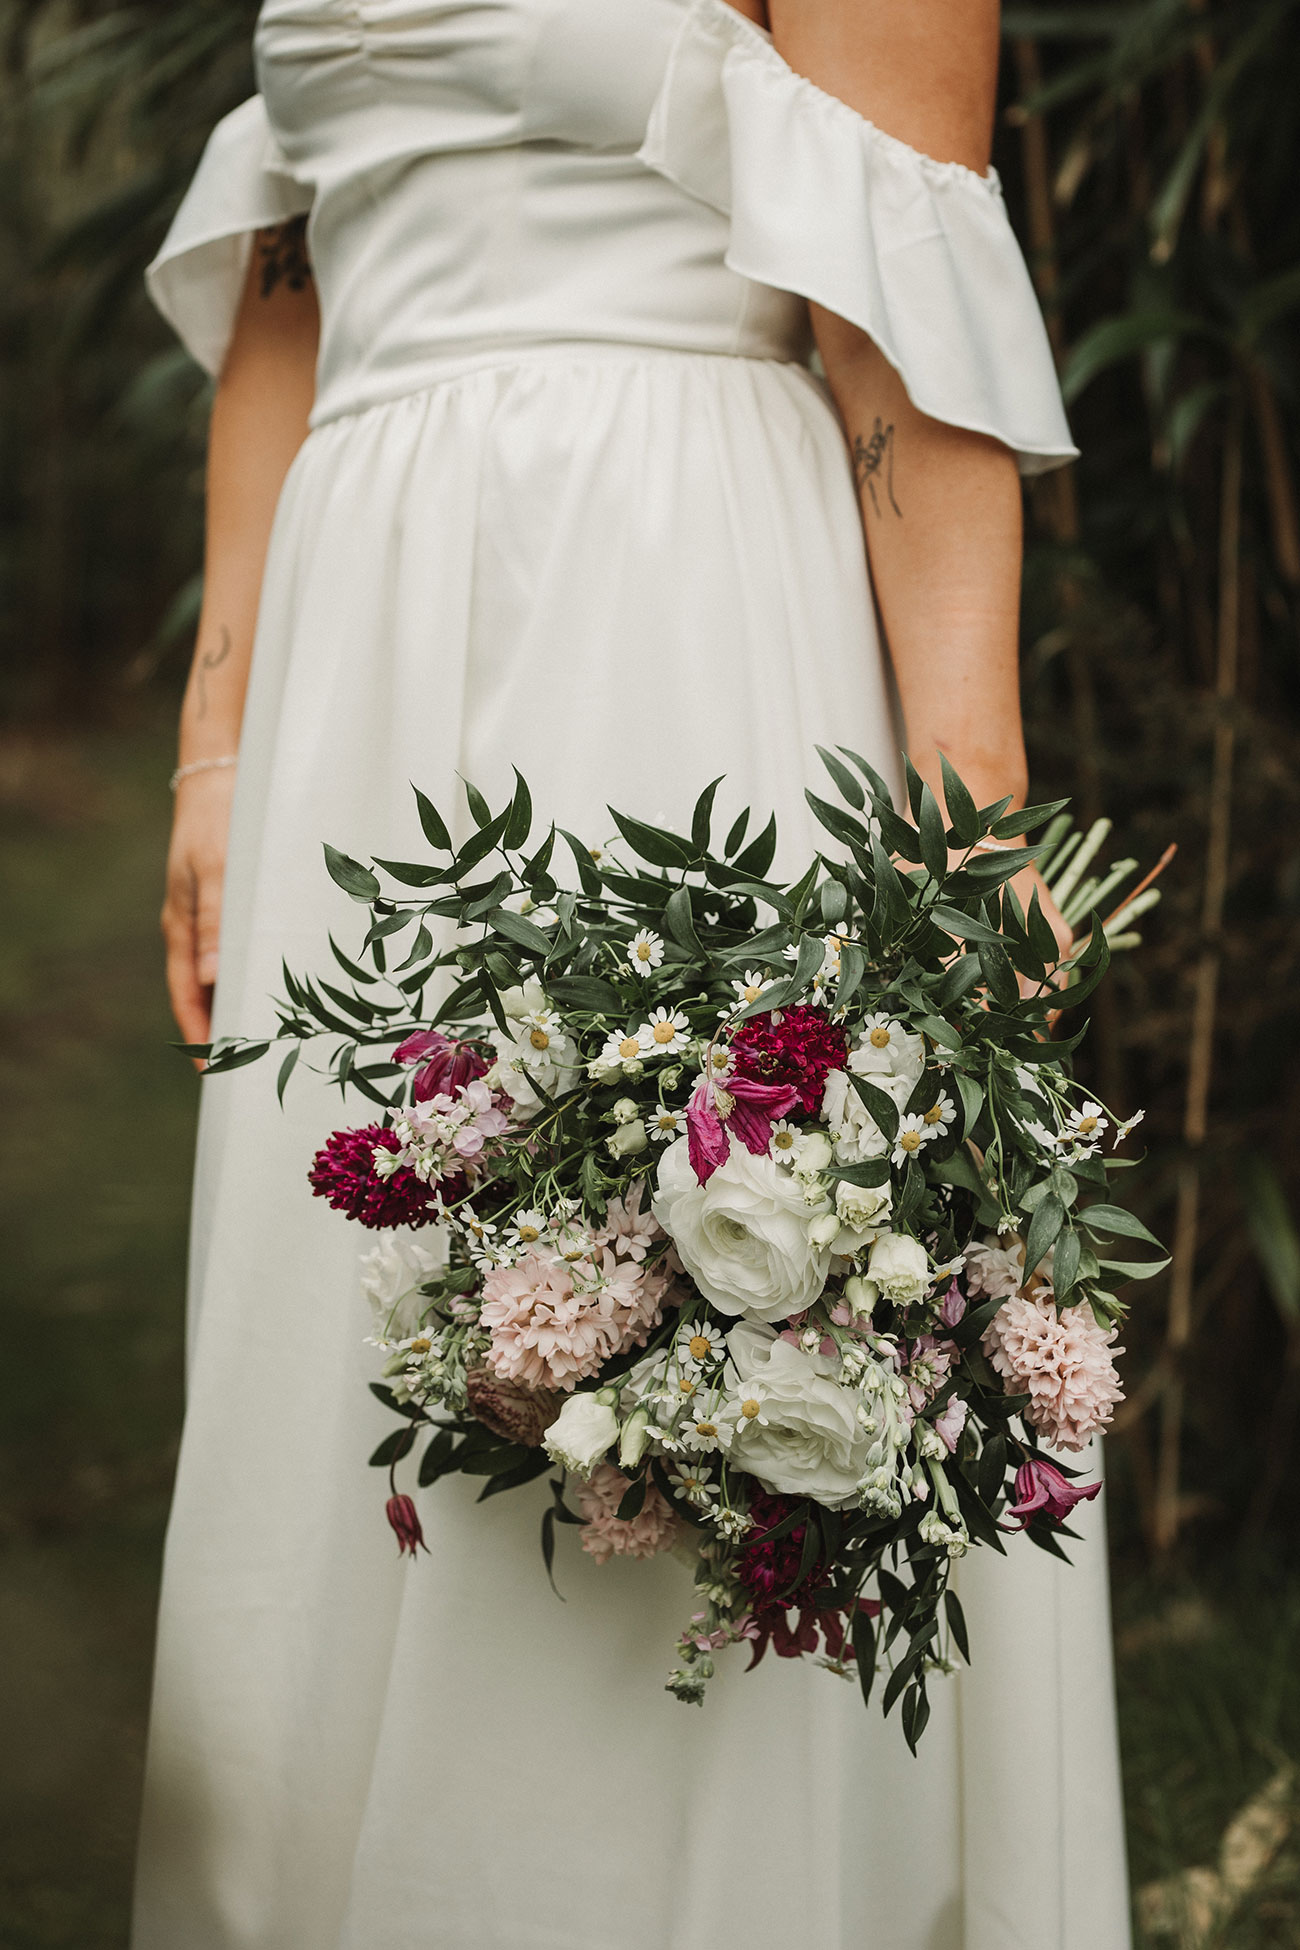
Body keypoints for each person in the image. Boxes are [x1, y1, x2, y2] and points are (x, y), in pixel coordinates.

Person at [138, 2, 1131, 1945]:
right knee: (336, 1352)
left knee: (689, 1344)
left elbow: (892, 269)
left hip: (664, 617)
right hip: (358, 672)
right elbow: (293, 257)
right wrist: (217, 740)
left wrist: (966, 810)